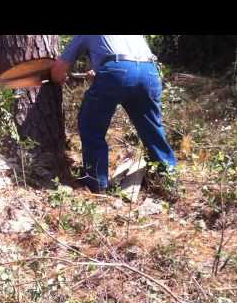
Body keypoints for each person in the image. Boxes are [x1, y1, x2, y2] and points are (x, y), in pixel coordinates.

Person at [51, 35, 177, 195]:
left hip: (117, 71)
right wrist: (103, 74)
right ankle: (168, 179)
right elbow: (129, 64)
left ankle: (95, 182)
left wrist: (61, 77)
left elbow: (57, 72)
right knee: (152, 128)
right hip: (149, 71)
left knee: (91, 125)